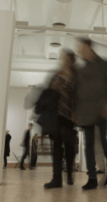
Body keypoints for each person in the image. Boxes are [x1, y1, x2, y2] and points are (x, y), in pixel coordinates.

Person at [75, 38, 107, 190]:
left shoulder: (104, 64)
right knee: (88, 145)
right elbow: (78, 93)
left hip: (101, 109)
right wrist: (76, 114)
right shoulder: (81, 70)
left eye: (80, 48)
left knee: (104, 140)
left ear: (88, 47)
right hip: (86, 113)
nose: (79, 51)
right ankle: (92, 178)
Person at [44, 50, 77, 189]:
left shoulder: (76, 77)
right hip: (55, 116)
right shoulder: (56, 75)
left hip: (69, 117)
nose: (65, 61)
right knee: (56, 148)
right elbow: (48, 94)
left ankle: (69, 173)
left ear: (72, 61)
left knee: (69, 148)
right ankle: (56, 179)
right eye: (64, 58)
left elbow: (79, 97)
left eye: (68, 59)